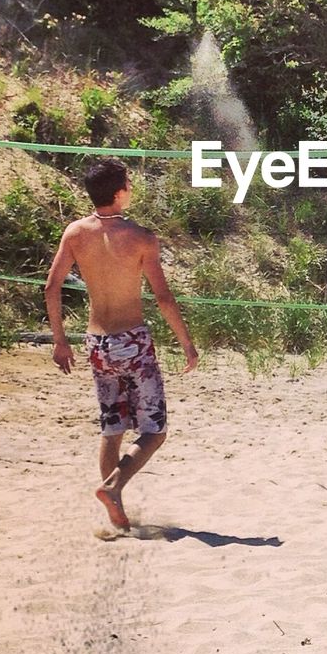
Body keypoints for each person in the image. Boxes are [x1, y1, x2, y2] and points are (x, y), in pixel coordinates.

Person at [45, 158, 198, 529]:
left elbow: (52, 288)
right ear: (118, 192)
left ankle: (116, 516)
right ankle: (114, 487)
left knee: (112, 428)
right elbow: (163, 298)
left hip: (96, 342)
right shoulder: (142, 238)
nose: (131, 188)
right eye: (127, 183)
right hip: (133, 340)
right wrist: (187, 344)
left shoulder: (76, 233)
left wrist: (60, 341)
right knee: (154, 430)